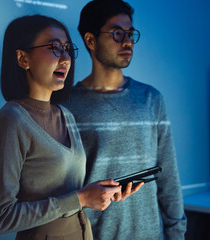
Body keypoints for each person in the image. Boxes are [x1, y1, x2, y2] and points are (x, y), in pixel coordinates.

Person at [0, 14, 124, 240]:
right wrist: (80, 199)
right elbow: (1, 218)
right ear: (23, 58)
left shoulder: (66, 115)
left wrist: (100, 194)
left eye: (68, 49)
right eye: (54, 48)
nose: (66, 58)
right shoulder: (11, 120)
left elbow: (69, 197)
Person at [63, 0, 187, 239]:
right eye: (117, 33)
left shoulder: (151, 99)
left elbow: (168, 176)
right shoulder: (67, 106)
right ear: (90, 40)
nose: (127, 41)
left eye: (130, 34)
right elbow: (63, 187)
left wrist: (176, 234)